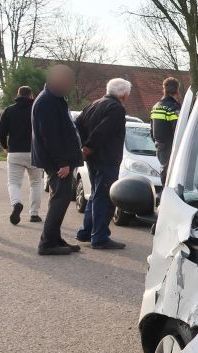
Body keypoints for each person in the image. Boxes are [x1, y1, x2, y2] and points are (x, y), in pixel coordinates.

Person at [75, 78, 131, 250]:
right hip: (107, 158)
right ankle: (99, 237)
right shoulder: (116, 108)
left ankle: (86, 231)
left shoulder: (93, 104)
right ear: (123, 94)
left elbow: (78, 123)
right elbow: (104, 130)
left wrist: (85, 145)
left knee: (95, 194)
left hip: (93, 159)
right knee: (105, 197)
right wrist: (89, 146)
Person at [32, 64, 83, 255]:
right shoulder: (46, 101)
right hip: (57, 162)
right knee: (59, 201)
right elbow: (50, 136)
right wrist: (62, 162)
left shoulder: (55, 99)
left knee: (59, 200)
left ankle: (55, 238)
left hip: (61, 160)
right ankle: (47, 244)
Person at [0, 86, 44, 224]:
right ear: (31, 96)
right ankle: (34, 214)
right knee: (36, 183)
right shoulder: (37, 110)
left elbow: (1, 131)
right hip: (34, 152)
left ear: (18, 95)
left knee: (13, 183)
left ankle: (17, 203)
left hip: (15, 153)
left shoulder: (9, 110)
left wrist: (5, 147)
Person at [150, 77, 181, 183]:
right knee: (171, 174)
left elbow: (151, 129)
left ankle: (165, 194)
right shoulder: (173, 107)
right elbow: (178, 129)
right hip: (171, 146)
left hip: (159, 146)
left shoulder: (156, 106)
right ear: (177, 90)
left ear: (164, 89)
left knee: (165, 171)